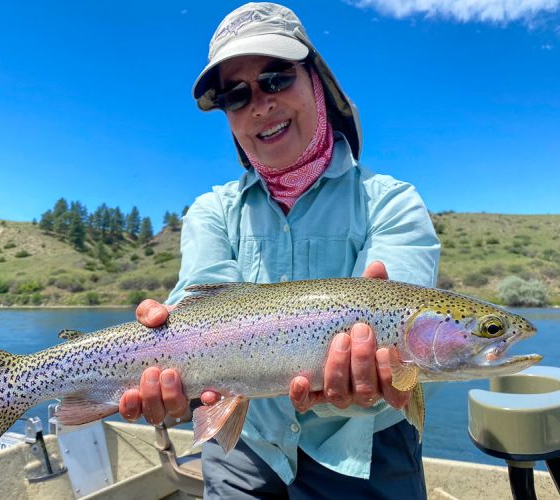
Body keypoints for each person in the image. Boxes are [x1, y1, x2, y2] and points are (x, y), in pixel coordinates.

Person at [119, 3, 440, 498]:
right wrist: (165, 368)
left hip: (363, 446)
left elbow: (405, 334)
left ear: (317, 82)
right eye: (235, 94)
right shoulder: (210, 211)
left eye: (275, 78)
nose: (260, 103)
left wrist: (382, 361)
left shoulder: (392, 202)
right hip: (243, 445)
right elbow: (196, 313)